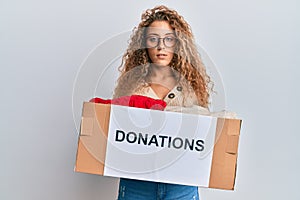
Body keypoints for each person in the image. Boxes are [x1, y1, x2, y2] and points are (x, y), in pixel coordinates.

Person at [113, 5, 213, 200]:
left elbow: (200, 136)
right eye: (153, 39)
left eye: (168, 39)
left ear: (177, 44)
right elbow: (117, 134)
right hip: (137, 185)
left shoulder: (192, 87)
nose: (161, 47)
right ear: (144, 45)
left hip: (181, 185)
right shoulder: (131, 86)